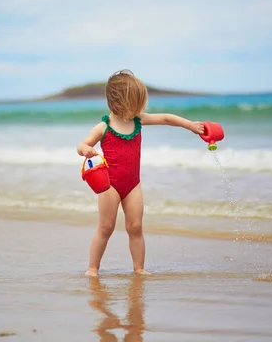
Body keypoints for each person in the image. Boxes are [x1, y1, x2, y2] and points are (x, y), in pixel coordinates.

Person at [76, 69, 205, 277]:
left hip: (133, 184)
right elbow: (81, 144)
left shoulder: (138, 121)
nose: (140, 108)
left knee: (135, 227)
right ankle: (92, 268)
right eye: (136, 102)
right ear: (120, 102)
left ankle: (139, 268)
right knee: (106, 227)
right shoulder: (104, 127)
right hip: (109, 185)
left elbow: (165, 119)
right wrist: (86, 150)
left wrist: (190, 125)